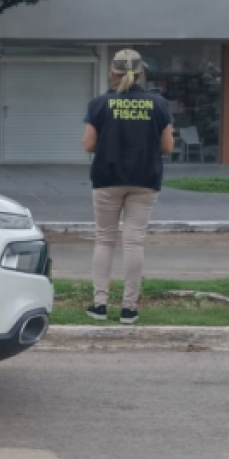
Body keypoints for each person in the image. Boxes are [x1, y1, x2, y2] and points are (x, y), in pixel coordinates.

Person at [81, 49, 175, 324]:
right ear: (141, 73)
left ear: (112, 72)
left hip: (107, 178)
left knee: (104, 239)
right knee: (134, 242)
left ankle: (99, 305)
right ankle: (129, 308)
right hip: (145, 179)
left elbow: (88, 144)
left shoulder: (100, 104)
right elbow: (168, 147)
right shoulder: (158, 104)